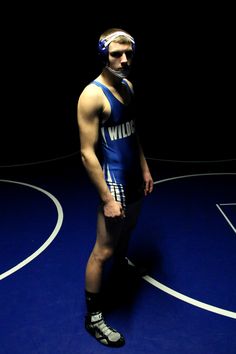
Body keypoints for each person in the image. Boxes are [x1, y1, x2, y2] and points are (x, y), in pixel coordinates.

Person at [77, 28, 153, 347]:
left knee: (127, 235)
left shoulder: (129, 87)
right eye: (115, 54)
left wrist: (145, 167)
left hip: (134, 177)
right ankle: (93, 318)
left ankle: (121, 271)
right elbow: (86, 152)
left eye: (128, 54)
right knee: (103, 250)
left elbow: (132, 133)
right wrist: (106, 198)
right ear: (103, 56)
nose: (123, 60)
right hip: (114, 185)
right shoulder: (92, 96)